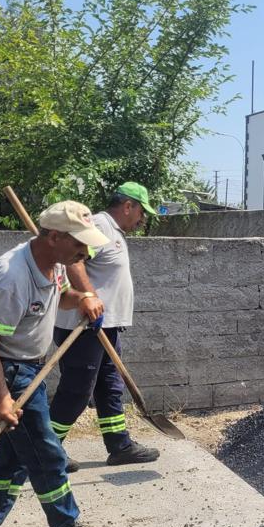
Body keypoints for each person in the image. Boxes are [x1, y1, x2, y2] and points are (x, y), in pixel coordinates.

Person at [0, 201, 114, 527]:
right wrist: (2, 399)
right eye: (79, 243)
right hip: (8, 370)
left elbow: (60, 298)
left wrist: (84, 299)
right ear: (54, 236)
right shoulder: (10, 278)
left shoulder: (54, 264)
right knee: (45, 452)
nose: (85, 252)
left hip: (30, 367)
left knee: (13, 458)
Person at [49, 182, 160, 469]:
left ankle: (119, 445)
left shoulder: (113, 231)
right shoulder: (99, 226)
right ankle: (47, 449)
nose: (141, 219)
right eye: (140, 212)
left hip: (104, 326)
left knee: (110, 386)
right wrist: (89, 297)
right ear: (128, 206)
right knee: (77, 389)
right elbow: (74, 262)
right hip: (83, 326)